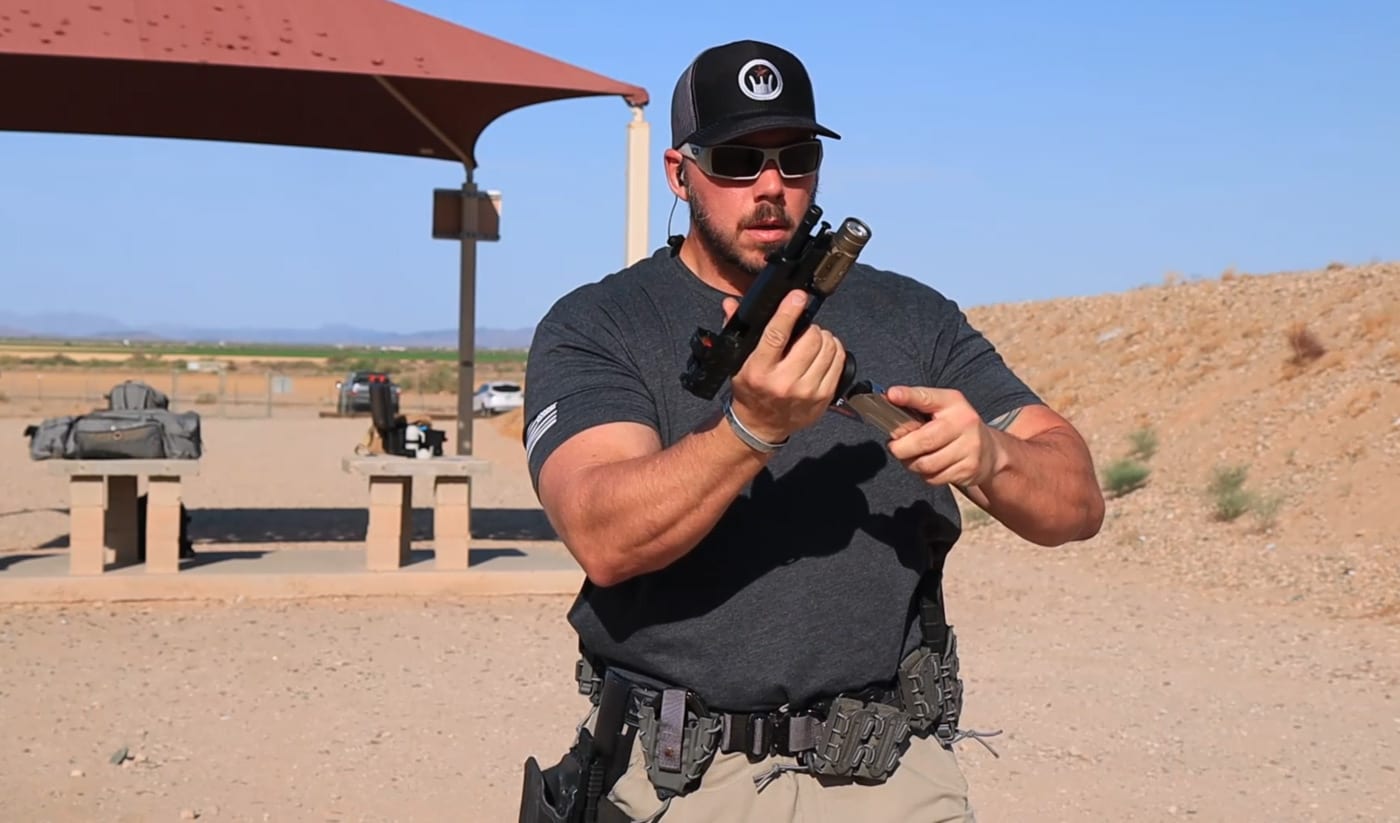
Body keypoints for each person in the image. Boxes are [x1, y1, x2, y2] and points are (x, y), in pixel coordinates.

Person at [518, 39, 1104, 823]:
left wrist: (993, 454)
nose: (770, 187)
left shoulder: (913, 316)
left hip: (894, 779)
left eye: (795, 158)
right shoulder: (600, 325)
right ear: (679, 171)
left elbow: (1077, 502)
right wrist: (751, 429)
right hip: (685, 784)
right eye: (736, 159)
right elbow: (601, 530)